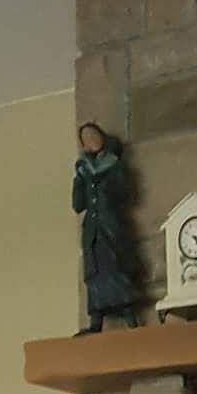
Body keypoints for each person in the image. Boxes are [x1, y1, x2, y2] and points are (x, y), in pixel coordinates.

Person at [71, 122, 139, 333]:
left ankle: (130, 317)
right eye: (86, 138)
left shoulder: (114, 165)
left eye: (93, 135)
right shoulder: (84, 169)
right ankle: (96, 322)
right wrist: (79, 180)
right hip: (93, 230)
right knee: (94, 273)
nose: (91, 140)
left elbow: (126, 195)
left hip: (111, 226)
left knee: (116, 266)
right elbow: (77, 205)